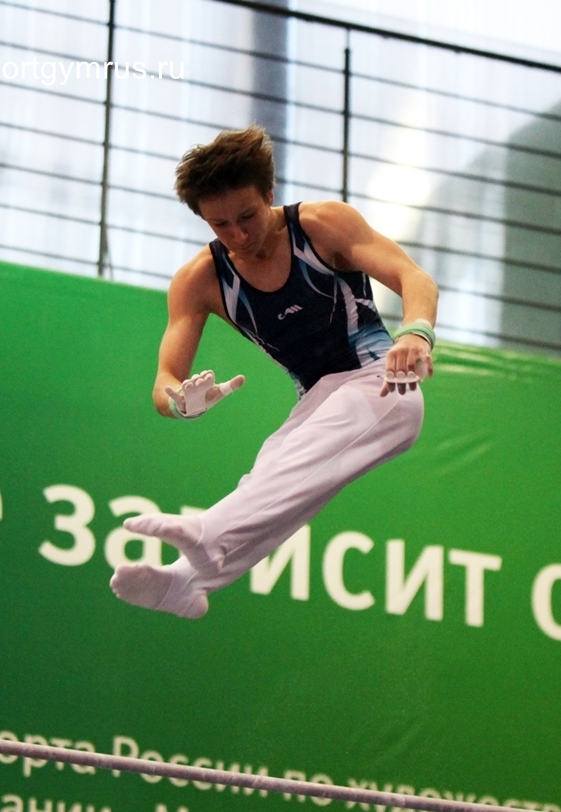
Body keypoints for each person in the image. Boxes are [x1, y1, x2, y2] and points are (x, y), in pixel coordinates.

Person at [110, 125, 438, 619]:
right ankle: (185, 583)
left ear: (269, 193)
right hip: (318, 402)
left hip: (383, 385)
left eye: (247, 215)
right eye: (221, 224)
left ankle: (208, 531)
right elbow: (164, 382)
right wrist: (181, 403)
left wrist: (415, 334)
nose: (238, 235)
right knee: (273, 480)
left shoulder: (323, 225)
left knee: (292, 465)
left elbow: (414, 278)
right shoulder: (199, 281)